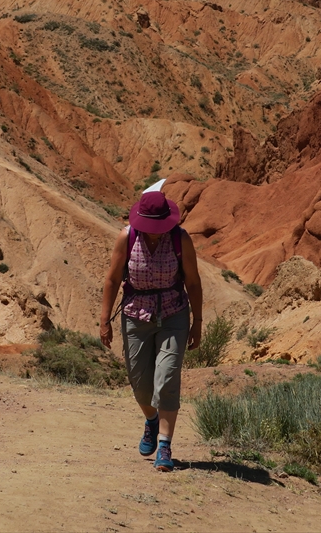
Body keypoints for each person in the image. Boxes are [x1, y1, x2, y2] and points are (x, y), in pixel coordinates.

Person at [100, 189, 202, 472]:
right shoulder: (127, 237)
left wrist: (198, 323)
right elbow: (111, 279)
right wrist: (104, 319)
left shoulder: (180, 239)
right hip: (136, 316)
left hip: (173, 314)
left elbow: (193, 283)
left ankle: (165, 445)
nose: (154, 233)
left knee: (167, 377)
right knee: (141, 383)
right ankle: (151, 419)